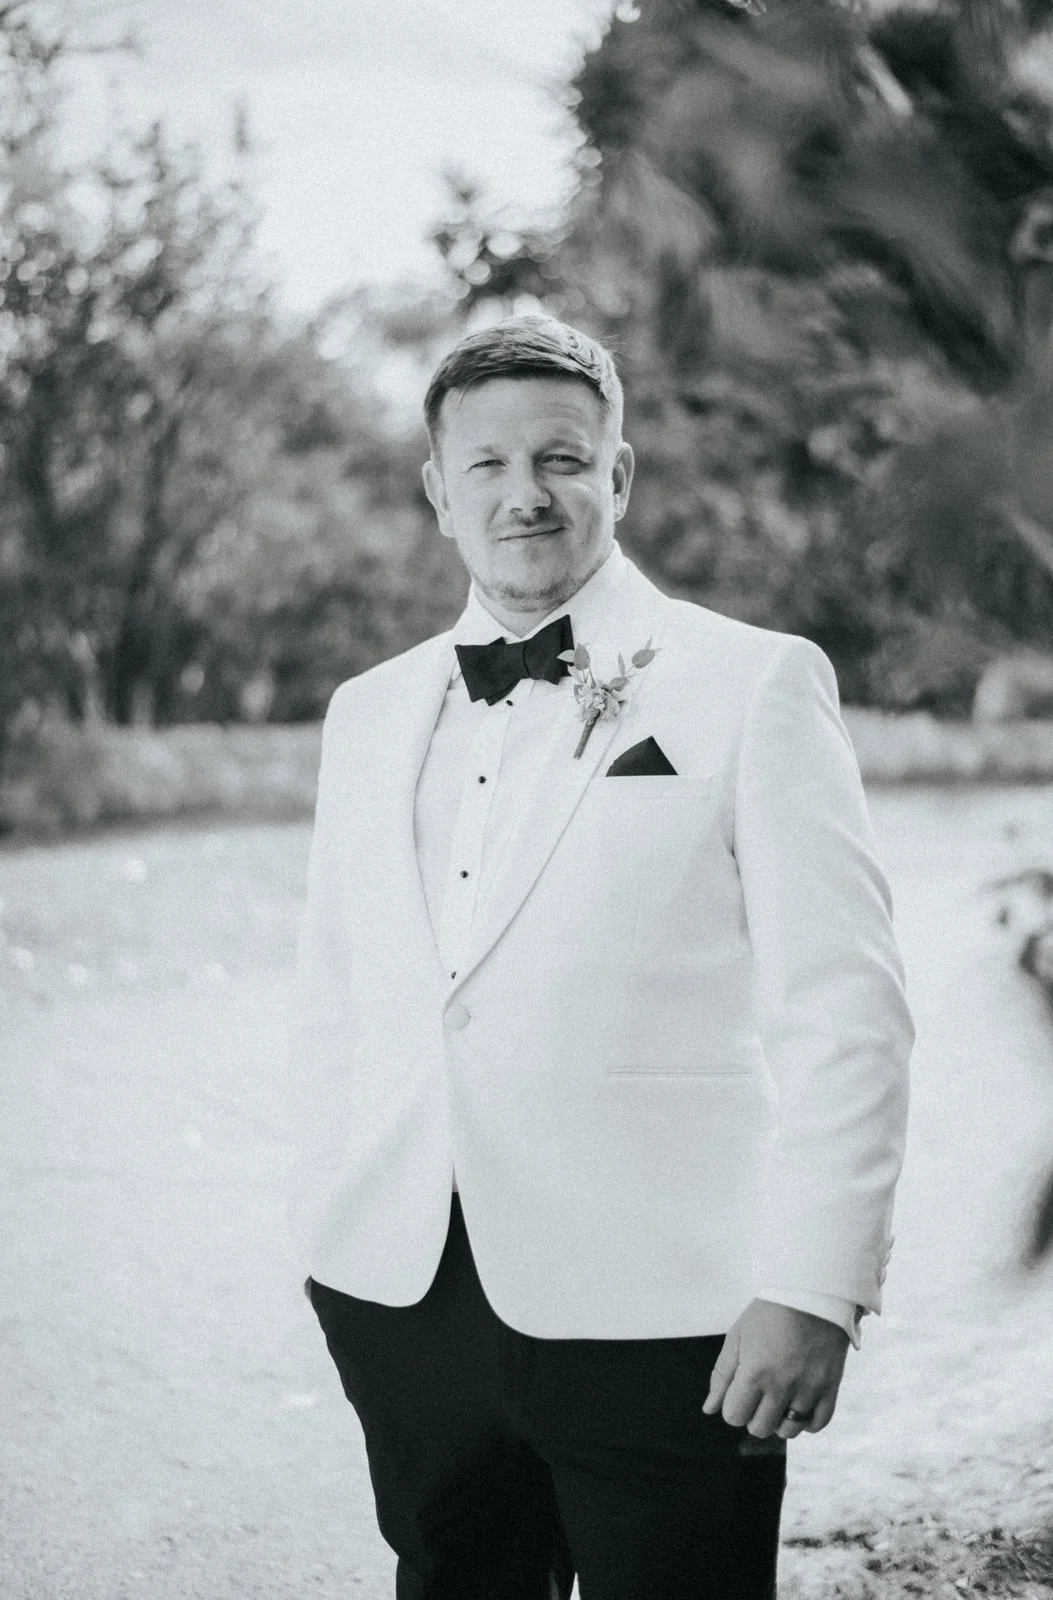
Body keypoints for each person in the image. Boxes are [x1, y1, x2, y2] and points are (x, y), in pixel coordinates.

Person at [288, 316, 913, 1600]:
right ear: (438, 492)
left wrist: (814, 1287)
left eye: (561, 458)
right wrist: (326, 1235)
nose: (524, 493)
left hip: (670, 1319)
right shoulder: (366, 713)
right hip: (406, 1308)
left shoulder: (753, 683)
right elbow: (336, 998)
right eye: (487, 464)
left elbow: (844, 1011)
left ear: (616, 476)